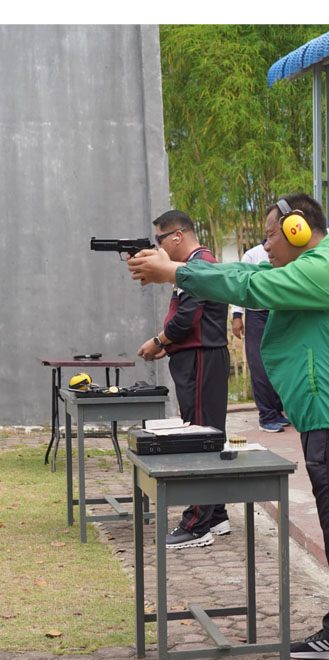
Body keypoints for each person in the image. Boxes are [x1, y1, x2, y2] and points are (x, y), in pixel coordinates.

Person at [127, 193, 329, 660]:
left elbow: (249, 284)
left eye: (271, 235)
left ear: (297, 229)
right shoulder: (318, 265)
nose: (265, 246)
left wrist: (176, 273)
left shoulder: (326, 266)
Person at [135, 210, 230, 549]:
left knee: (199, 435)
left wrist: (160, 340)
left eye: (160, 240)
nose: (159, 249)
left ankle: (196, 524)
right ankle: (215, 513)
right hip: (196, 354)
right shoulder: (193, 265)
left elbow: (189, 316)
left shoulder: (198, 264)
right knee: (207, 431)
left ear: (177, 236)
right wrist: (170, 343)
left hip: (202, 355)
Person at [229, 240, 289, 433]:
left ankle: (278, 410)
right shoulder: (252, 255)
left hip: (280, 311)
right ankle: (266, 415)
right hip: (256, 314)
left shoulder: (287, 253)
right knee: (259, 365)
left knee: (281, 364)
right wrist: (237, 316)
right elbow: (239, 285)